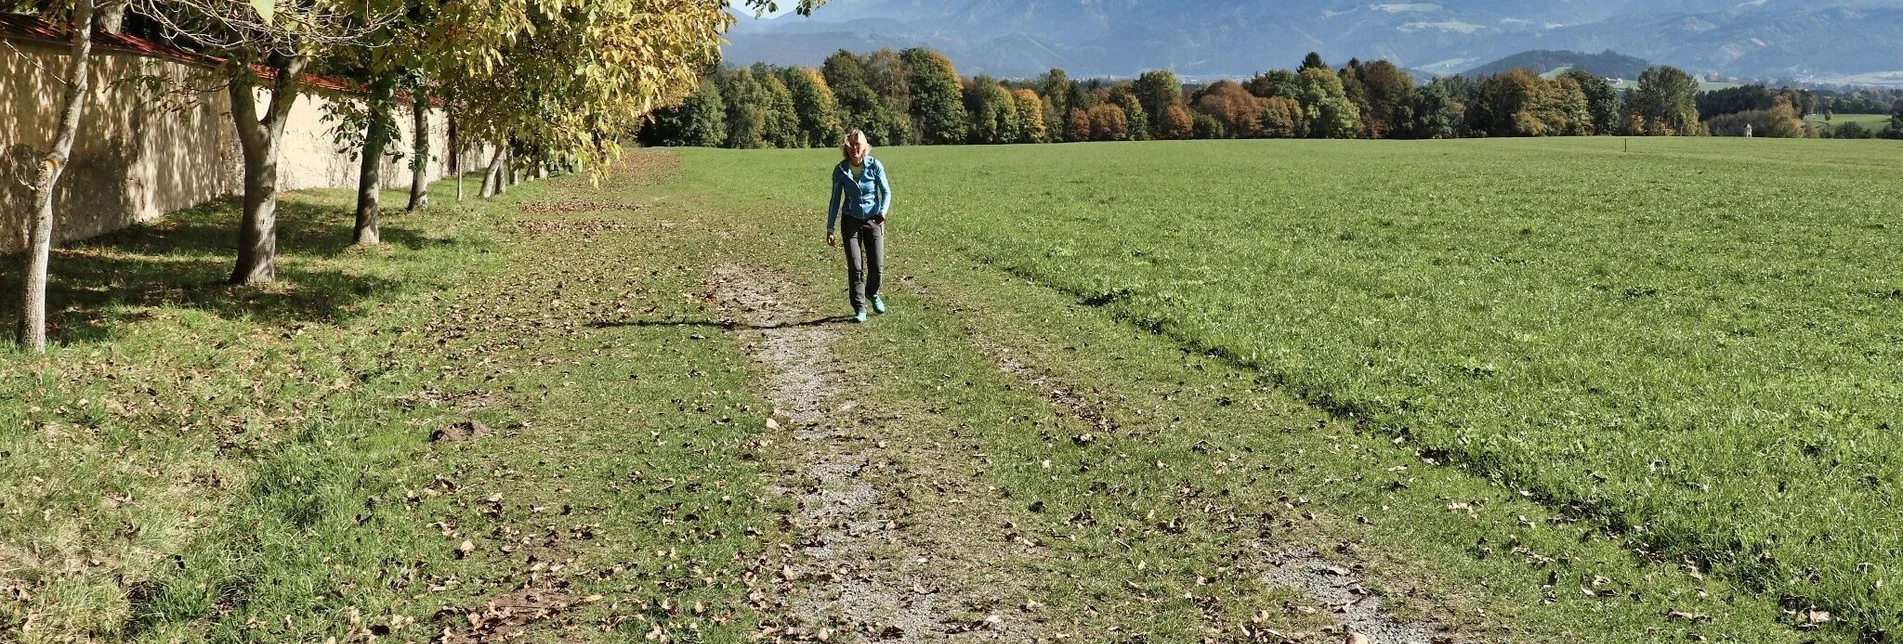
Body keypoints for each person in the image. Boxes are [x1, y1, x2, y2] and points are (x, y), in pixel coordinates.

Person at [826, 130, 892, 323]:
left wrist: (882, 212)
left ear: (865, 147)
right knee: (856, 267)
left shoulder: (875, 166)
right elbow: (835, 200)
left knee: (877, 266)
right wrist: (830, 228)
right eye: (852, 145)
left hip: (874, 220)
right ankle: (860, 308)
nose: (855, 148)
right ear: (847, 148)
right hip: (850, 221)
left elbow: (886, 192)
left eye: (859, 144)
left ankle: (872, 293)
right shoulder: (840, 170)